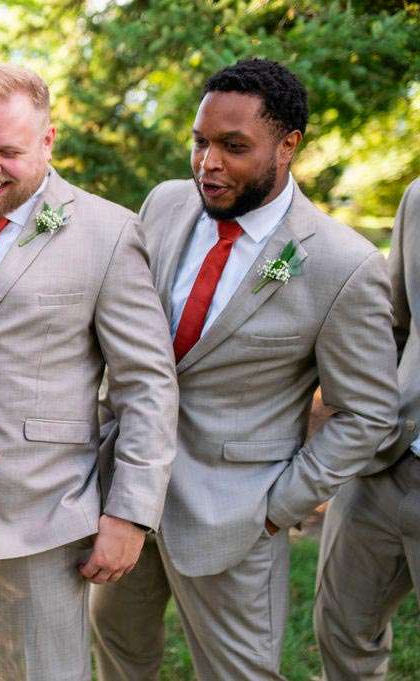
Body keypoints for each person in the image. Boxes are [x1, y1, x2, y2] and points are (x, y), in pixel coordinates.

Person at [89, 58, 400, 680]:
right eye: (200, 142)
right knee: (117, 653)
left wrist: (275, 509)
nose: (208, 163)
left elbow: (367, 414)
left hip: (234, 518)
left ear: (288, 146)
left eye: (233, 147)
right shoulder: (165, 204)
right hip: (124, 491)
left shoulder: (343, 265)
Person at [0, 63, 178, 681]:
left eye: (9, 152)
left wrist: (130, 514)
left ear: (47, 142)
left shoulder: (107, 232)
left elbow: (147, 386)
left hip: (37, 521)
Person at [313, 177, 420, 680]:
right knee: (341, 631)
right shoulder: (418, 197)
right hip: (390, 461)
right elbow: (395, 322)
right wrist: (373, 417)